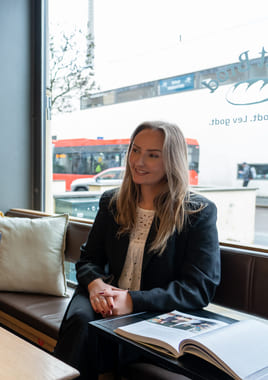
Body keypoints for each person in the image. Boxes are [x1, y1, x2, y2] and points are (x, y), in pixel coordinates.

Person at [54, 121, 221, 379]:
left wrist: (132, 301)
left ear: (171, 160)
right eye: (135, 150)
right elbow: (89, 259)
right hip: (103, 295)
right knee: (80, 323)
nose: (138, 162)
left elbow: (198, 288)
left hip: (154, 309)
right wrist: (96, 285)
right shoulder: (112, 202)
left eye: (152, 155)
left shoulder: (197, 212)